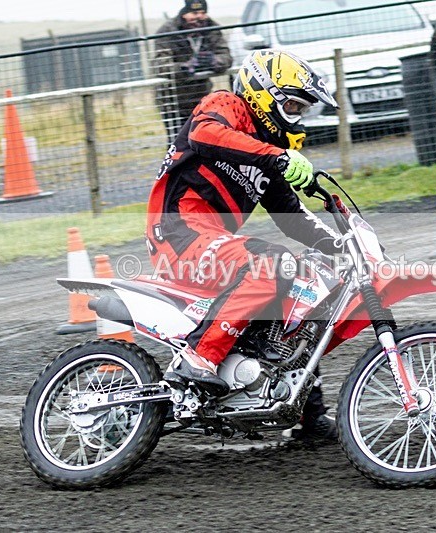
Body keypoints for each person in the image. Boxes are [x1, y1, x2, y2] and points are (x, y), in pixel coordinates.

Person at [146, 49, 341, 439]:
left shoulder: (266, 157)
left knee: (304, 284)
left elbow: (293, 218)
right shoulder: (226, 106)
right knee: (271, 264)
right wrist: (278, 156)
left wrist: (343, 244)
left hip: (213, 244)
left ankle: (306, 413)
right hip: (179, 235)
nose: (296, 116)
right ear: (262, 94)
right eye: (292, 105)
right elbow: (204, 134)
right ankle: (200, 359)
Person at [152, 1, 233, 143]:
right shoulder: (167, 31)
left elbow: (225, 56)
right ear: (184, 14)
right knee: (178, 142)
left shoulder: (211, 28)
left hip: (202, 97)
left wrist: (214, 61)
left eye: (202, 13)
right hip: (172, 101)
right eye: (194, 13)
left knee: (206, 140)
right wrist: (185, 67)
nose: (199, 17)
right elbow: (160, 65)